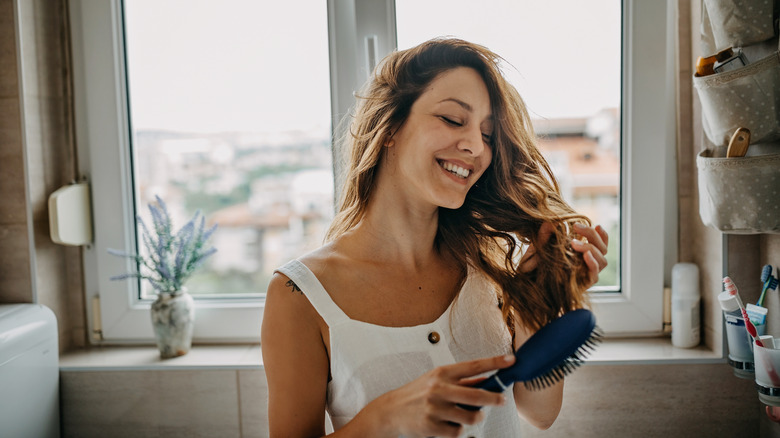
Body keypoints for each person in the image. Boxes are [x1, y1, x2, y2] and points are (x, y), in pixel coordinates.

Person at [261, 37, 609, 438]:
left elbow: (540, 412)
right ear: (389, 127)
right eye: (452, 119)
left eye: (489, 134)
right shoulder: (301, 296)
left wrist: (540, 300)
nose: (476, 146)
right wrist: (384, 418)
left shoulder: (490, 268)